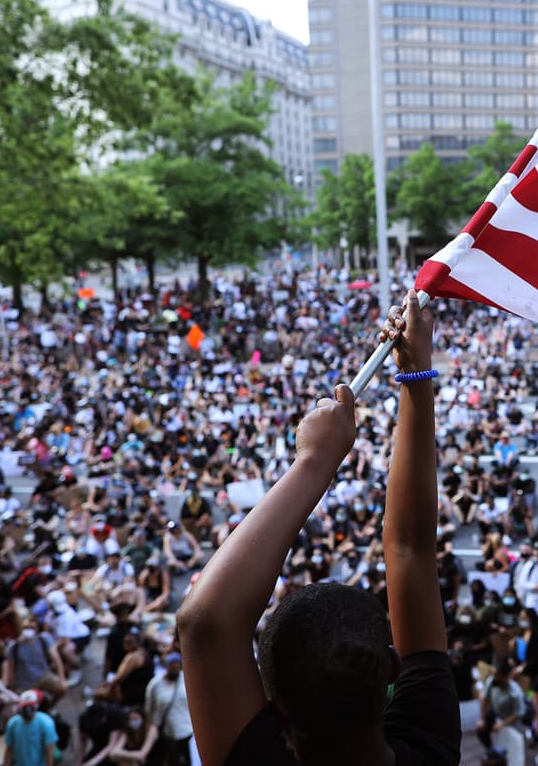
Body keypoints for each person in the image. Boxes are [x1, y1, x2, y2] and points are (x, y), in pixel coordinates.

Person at [177, 292, 461, 765]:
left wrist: (313, 462)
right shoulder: (426, 743)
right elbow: (409, 550)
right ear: (392, 671)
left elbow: (203, 624)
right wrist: (415, 373)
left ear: (273, 712)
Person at [144, 652, 193, 766]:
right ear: (166, 666)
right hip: (168, 733)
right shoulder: (155, 684)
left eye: (177, 665)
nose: (174, 668)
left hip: (189, 731)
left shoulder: (187, 679)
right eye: (172, 665)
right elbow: (149, 710)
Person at [3, 689, 57, 766]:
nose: (28, 710)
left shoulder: (46, 723)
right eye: (25, 707)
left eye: (30, 706)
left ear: (36, 706)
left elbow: (49, 751)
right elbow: (9, 749)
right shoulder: (13, 724)